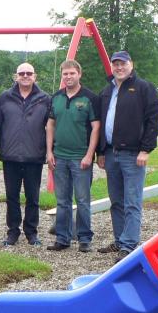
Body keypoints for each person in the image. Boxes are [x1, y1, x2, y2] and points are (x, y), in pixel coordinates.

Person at [97, 51, 158, 262]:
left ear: (131, 65)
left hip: (133, 154)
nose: (119, 67)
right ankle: (119, 239)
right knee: (116, 201)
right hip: (111, 152)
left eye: (122, 63)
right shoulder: (108, 90)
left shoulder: (143, 88)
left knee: (132, 201)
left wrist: (145, 149)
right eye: (115, 64)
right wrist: (101, 151)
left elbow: (153, 121)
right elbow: (101, 121)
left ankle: (129, 245)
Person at [45, 59, 101, 253]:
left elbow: (96, 127)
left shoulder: (89, 98)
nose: (68, 77)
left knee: (83, 200)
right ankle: (63, 237)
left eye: (72, 73)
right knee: (62, 200)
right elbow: (50, 125)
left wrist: (89, 155)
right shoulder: (56, 98)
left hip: (80, 159)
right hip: (59, 157)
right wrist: (49, 151)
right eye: (65, 74)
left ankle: (84, 238)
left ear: (79, 74)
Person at [0, 62, 51, 247]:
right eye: (21, 73)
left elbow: (51, 127)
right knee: (12, 197)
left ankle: (31, 232)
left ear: (35, 76)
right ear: (15, 76)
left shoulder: (44, 99)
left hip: (34, 156)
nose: (25, 76)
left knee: (33, 197)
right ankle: (13, 232)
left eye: (29, 73)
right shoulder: (4, 98)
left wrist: (50, 151)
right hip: (10, 156)